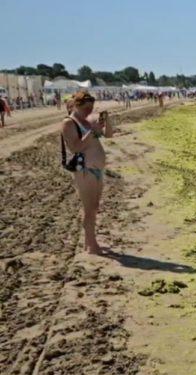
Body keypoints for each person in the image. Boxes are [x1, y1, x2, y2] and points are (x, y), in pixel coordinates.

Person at [60, 90, 113, 254]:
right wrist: (92, 132)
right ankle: (92, 245)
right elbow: (75, 147)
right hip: (85, 170)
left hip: (96, 169)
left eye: (92, 108)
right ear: (77, 105)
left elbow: (109, 135)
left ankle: (88, 242)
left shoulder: (88, 121)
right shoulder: (69, 123)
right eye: (86, 108)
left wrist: (107, 122)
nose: (89, 111)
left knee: (94, 206)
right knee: (89, 208)